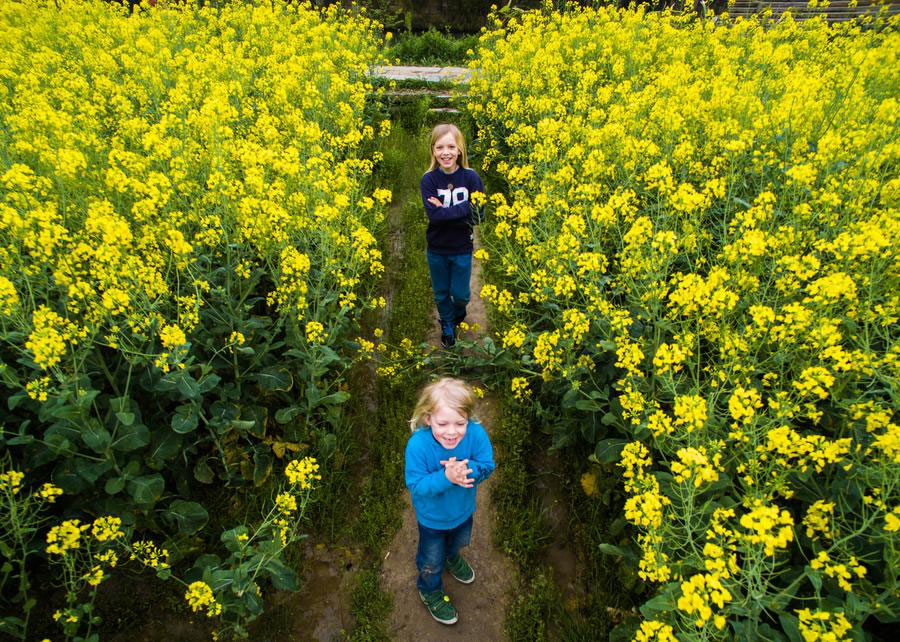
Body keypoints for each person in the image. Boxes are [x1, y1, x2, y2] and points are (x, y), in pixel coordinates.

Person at [405, 377, 495, 625]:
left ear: (468, 418)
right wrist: (446, 477)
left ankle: (452, 557)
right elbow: (416, 486)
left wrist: (467, 470)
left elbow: (487, 466)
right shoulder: (418, 446)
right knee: (431, 560)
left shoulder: (476, 435)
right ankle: (430, 589)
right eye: (442, 423)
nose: (452, 431)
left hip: (463, 512)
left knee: (458, 541)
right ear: (428, 418)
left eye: (460, 423)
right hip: (431, 519)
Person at [420, 124, 485, 348]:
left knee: (461, 295)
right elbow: (434, 217)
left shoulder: (471, 178)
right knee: (441, 293)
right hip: (436, 247)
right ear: (433, 151)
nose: (445, 152)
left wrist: (445, 211)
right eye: (440, 147)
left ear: (460, 150)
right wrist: (464, 208)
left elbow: (477, 216)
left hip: (461, 248)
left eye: (451, 146)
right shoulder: (429, 180)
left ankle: (458, 314)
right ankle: (447, 323)